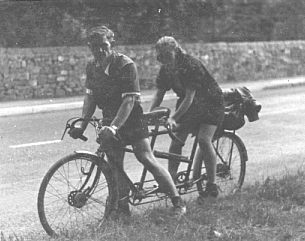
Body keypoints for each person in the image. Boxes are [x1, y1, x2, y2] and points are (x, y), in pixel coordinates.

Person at [68, 26, 186, 217]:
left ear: (111, 43)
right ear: (90, 47)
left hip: (131, 119)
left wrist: (114, 127)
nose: (100, 50)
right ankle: (123, 210)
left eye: (104, 45)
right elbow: (90, 98)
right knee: (115, 165)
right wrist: (82, 124)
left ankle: (177, 202)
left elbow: (129, 100)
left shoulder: (125, 64)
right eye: (94, 47)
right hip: (109, 119)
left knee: (146, 158)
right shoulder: (92, 67)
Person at [150, 36, 225, 203]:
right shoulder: (166, 68)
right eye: (160, 56)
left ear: (176, 51)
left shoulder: (191, 65)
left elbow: (190, 97)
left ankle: (212, 184)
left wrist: (173, 118)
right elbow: (159, 93)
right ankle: (171, 179)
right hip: (188, 104)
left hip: (210, 103)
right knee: (176, 139)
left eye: (167, 55)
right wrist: (149, 114)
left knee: (204, 140)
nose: (163, 59)